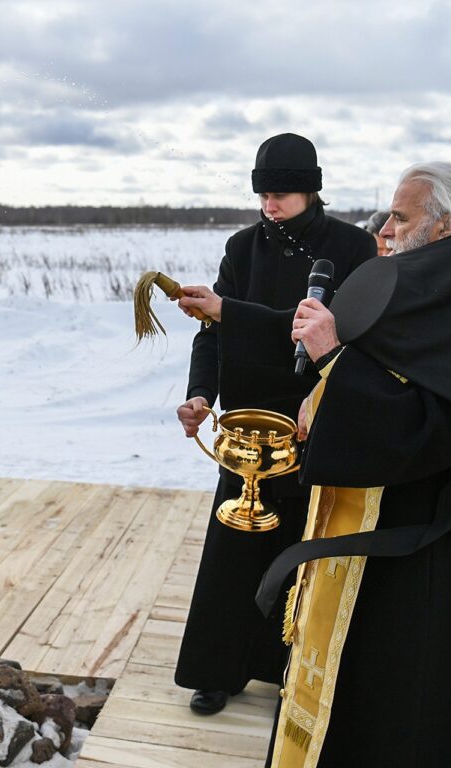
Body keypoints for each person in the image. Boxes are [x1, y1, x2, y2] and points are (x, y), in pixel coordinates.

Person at [257, 161, 451, 767]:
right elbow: (381, 382)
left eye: (400, 217)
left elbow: (432, 432)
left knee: (400, 717)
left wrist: (332, 361)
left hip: (416, 555)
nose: (385, 226)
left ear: (443, 227)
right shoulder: (429, 289)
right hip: (364, 539)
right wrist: (323, 392)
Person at [170, 133, 376, 716]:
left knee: (303, 551)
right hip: (247, 430)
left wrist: (227, 309)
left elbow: (331, 328)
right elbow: (211, 334)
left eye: (281, 194)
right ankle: (218, 670)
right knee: (231, 556)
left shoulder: (355, 248)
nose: (269, 205)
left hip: (318, 421)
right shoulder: (241, 247)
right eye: (262, 194)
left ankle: (296, 674)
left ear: (311, 189)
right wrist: (200, 395)